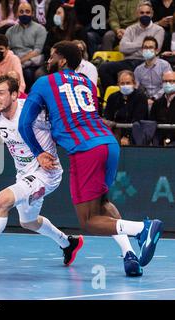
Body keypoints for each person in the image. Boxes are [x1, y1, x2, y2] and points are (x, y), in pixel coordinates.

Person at [18, 40, 164, 277]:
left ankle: (143, 228)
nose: (48, 60)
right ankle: (129, 255)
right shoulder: (87, 82)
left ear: (62, 60)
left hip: (85, 150)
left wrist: (38, 152)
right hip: (108, 143)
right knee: (103, 203)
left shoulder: (45, 82)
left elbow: (24, 124)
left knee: (87, 221)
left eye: (52, 56)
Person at [0, 75, 83, 273]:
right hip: (24, 175)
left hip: (47, 173)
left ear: (14, 95)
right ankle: (68, 244)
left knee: (2, 200)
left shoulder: (33, 113)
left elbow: (63, 126)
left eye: (2, 93)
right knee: (29, 221)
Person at [103, 70, 149, 145]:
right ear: (118, 84)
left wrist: (126, 136)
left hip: (135, 132)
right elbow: (108, 117)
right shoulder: (112, 97)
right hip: (116, 131)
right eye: (122, 83)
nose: (125, 86)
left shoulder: (141, 97)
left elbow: (138, 119)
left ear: (134, 84)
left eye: (128, 83)